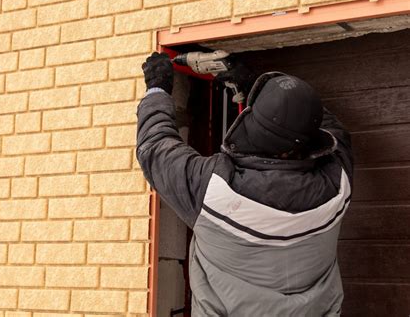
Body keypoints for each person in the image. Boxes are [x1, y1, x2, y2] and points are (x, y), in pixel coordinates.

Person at [136, 52, 353, 316]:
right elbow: (329, 128)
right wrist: (256, 86)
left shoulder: (214, 190)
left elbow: (155, 147)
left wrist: (157, 87)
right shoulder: (337, 184)